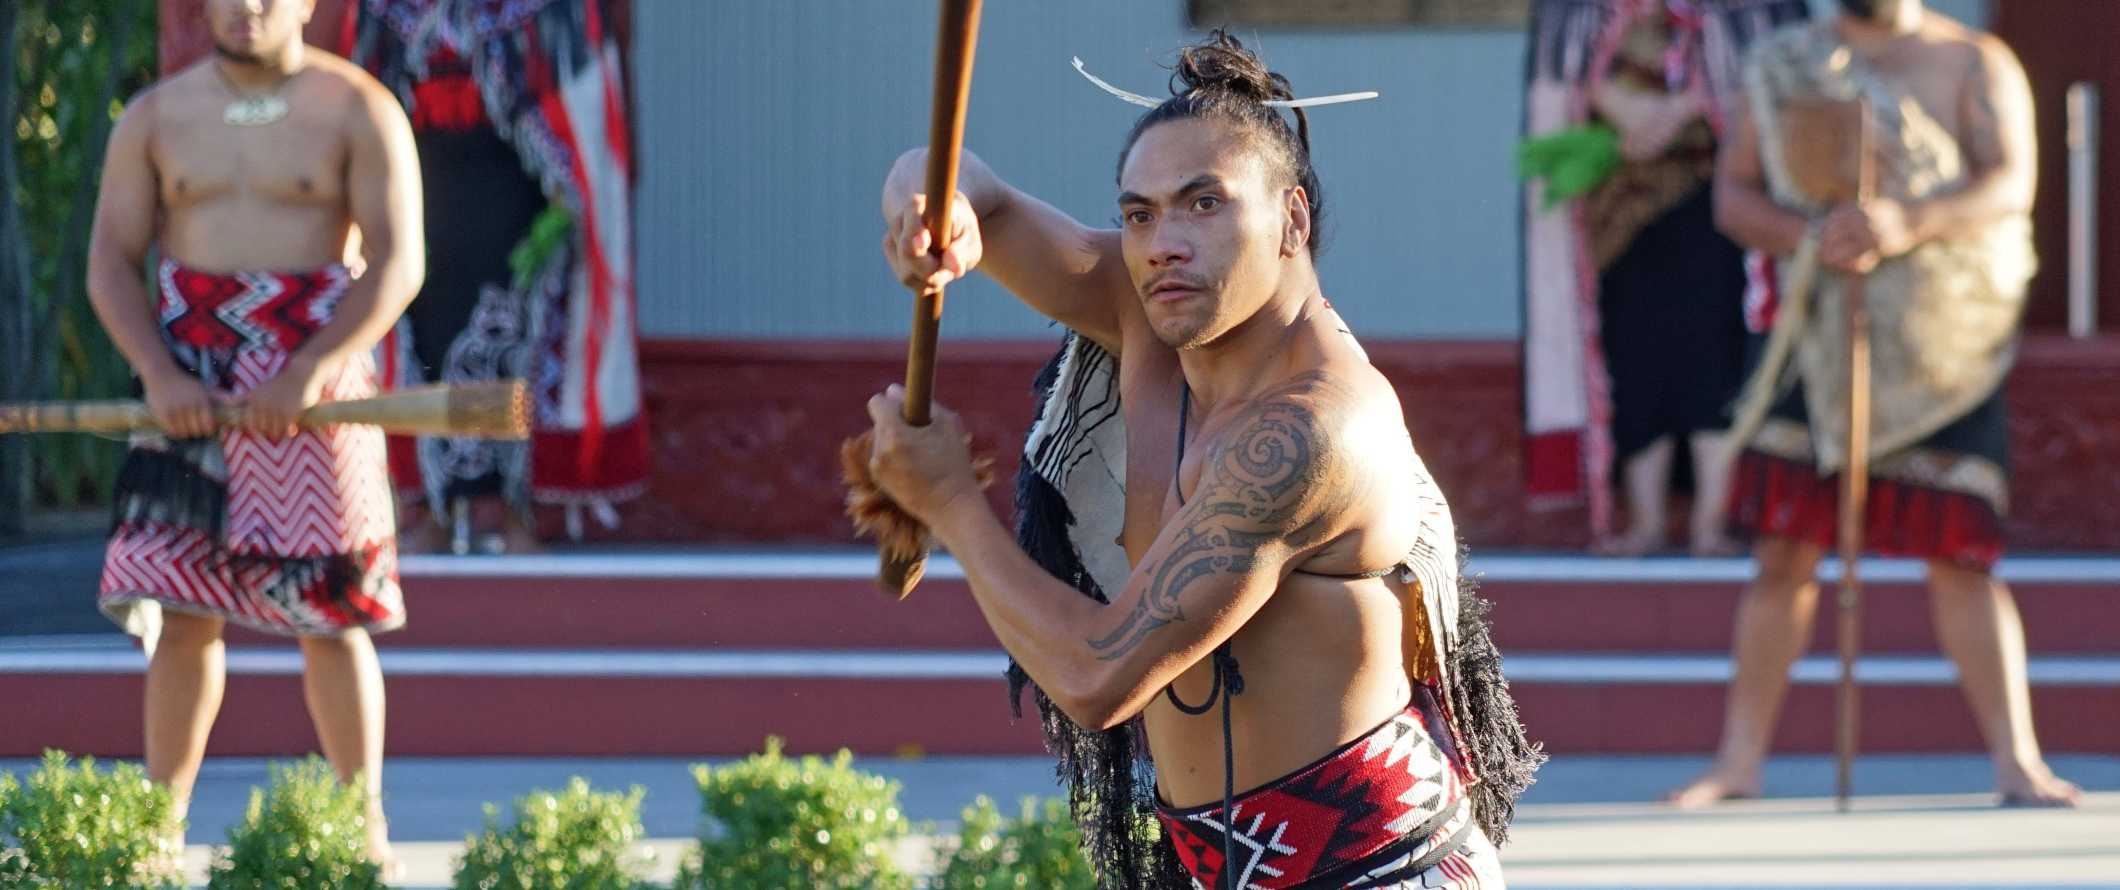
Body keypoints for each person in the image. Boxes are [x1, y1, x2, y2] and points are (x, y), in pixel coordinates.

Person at [863, 33, 1539, 889]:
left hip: (1381, 872)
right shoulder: (1147, 304)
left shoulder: (1310, 433)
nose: (1162, 243)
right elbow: (957, 180)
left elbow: (1098, 675)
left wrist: (951, 503)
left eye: (1203, 204)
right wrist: (935, 209)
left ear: (1292, 219)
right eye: (1139, 213)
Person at [1668, 0, 2081, 808]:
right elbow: (1735, 198)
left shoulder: (1972, 61)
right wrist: (1815, 234)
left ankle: (2017, 763)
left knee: (1961, 555)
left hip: (1940, 344)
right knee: (1783, 553)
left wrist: (1905, 221)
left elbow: (2010, 183)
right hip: (1815, 331)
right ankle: (1738, 763)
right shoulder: (1786, 62)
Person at [83, 0, 423, 870]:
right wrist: (159, 373)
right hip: (187, 375)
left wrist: (310, 367)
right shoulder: (155, 117)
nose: (246, 8)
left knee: (332, 613)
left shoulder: (359, 107)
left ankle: (362, 825)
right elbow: (112, 261)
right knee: (183, 611)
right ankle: (157, 832)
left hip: (316, 375)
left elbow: (396, 260)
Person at [356, 0, 651, 553]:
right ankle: (437, 507)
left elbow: (588, 91)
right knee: (428, 342)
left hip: (518, 190)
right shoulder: (388, 8)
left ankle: (515, 510)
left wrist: (571, 196)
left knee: (516, 346)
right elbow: (365, 89)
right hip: (421, 186)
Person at [1519, 0, 1811, 556]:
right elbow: (1561, 78)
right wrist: (1614, 104)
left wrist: (1683, 109)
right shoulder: (1575, 9)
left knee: (1715, 360)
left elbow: (1771, 77)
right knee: (1634, 360)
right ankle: (1645, 522)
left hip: (1716, 207)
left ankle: (1710, 523)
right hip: (1616, 213)